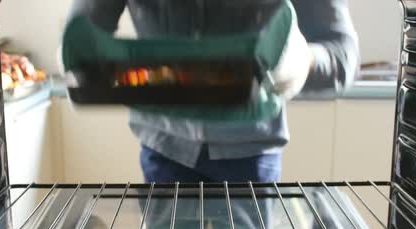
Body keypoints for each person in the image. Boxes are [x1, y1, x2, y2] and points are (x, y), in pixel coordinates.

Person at [68, 0, 358, 184]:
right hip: (164, 149)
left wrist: (300, 60)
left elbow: (342, 55)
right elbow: (85, 25)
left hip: (252, 156)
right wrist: (76, 52)